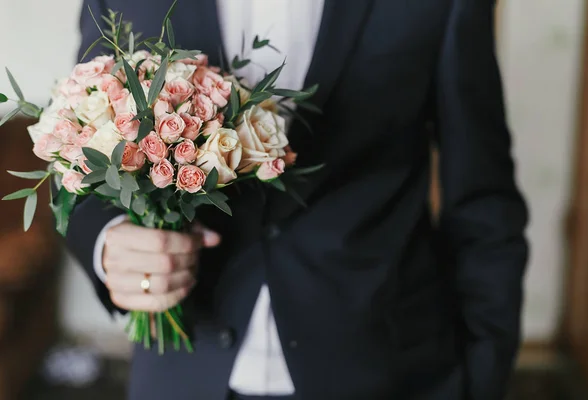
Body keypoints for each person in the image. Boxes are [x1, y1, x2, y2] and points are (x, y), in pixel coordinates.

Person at [67, 1, 529, 399]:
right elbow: (77, 145)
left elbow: (484, 202)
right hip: (184, 374)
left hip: (390, 372)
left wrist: (483, 376)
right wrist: (107, 246)